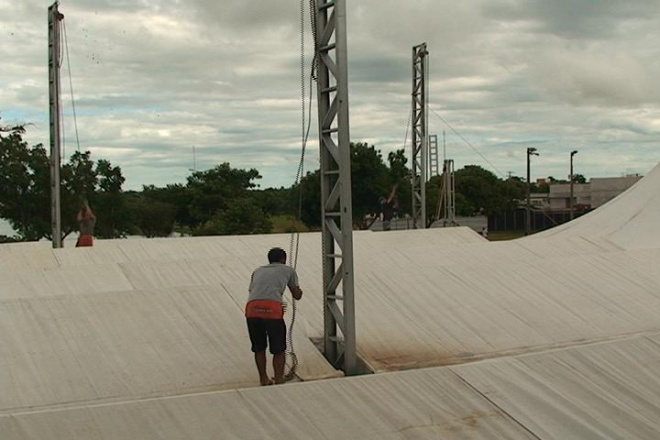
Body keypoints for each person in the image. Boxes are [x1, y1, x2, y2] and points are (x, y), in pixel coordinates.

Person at [246, 247, 302, 385]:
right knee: (279, 348)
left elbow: (253, 290)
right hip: (272, 310)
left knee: (259, 347)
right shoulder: (288, 270)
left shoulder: (258, 270)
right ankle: (279, 379)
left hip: (252, 308)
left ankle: (263, 379)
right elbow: (297, 295)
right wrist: (298, 291)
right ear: (283, 259)